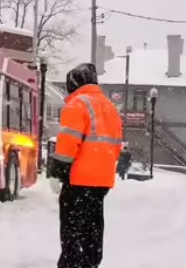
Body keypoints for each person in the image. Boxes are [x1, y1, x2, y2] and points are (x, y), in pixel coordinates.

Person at [50, 63, 123, 268]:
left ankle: (71, 263)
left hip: (78, 178)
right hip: (102, 181)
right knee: (93, 224)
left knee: (72, 226)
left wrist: (59, 173)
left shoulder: (77, 104)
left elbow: (68, 143)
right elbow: (116, 147)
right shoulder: (110, 108)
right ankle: (91, 262)